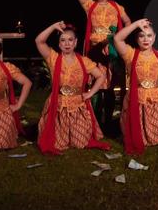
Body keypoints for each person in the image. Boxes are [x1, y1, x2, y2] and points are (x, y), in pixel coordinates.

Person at [35, 21, 109, 155]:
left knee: (80, 143)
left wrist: (90, 93)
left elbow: (101, 76)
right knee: (58, 143)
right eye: (63, 40)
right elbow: (39, 41)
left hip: (77, 105)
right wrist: (52, 27)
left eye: (70, 40)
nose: (67, 43)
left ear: (75, 42)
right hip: (58, 105)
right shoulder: (53, 58)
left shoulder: (83, 61)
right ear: (59, 44)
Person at [114, 18, 158, 154]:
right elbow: (117, 39)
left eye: (149, 35)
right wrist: (136, 24)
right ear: (137, 38)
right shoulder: (130, 54)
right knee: (135, 135)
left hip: (156, 99)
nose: (146, 39)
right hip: (136, 99)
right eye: (141, 36)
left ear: (154, 37)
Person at [74, 0, 131, 128]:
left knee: (112, 86)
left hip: (111, 50)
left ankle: (109, 122)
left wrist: (118, 39)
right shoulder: (90, 6)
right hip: (95, 51)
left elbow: (127, 22)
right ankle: (95, 121)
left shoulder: (117, 7)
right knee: (97, 85)